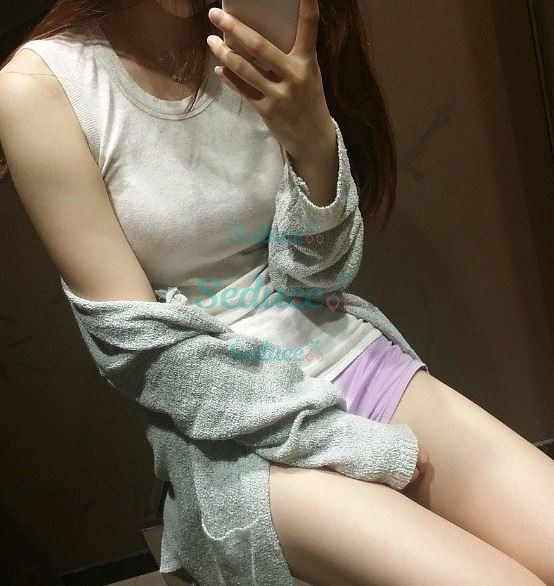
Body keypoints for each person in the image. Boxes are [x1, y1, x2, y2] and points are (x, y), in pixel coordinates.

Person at [0, 1, 552, 584]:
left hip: (347, 354)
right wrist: (340, 439)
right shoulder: (40, 89)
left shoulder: (251, 29)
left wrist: (314, 141)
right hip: (233, 437)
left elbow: (318, 281)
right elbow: (147, 354)